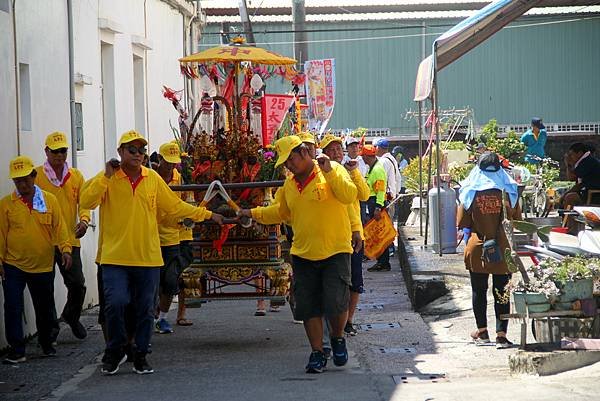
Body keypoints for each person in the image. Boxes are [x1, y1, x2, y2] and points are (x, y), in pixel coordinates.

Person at [80, 130, 224, 375]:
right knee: (115, 304)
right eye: (132, 150)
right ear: (120, 152)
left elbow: (175, 206)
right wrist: (105, 175)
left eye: (141, 150)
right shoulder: (109, 178)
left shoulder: (153, 179)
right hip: (114, 257)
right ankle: (115, 350)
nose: (138, 155)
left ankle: (141, 353)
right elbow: (86, 201)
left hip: (147, 257)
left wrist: (208, 215)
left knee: (146, 308)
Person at [238, 135, 357, 374]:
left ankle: (337, 337)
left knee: (336, 303)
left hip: (335, 250)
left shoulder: (331, 169)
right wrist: (251, 212)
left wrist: (331, 173)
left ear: (304, 153)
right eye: (285, 163)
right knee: (308, 306)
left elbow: (349, 196)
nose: (289, 166)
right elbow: (280, 212)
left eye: (290, 159)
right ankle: (317, 352)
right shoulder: (289, 186)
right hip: (303, 253)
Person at [0, 156, 73, 363]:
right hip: (13, 264)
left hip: (42, 264)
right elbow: (0, 234)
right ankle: (17, 349)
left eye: (25, 179)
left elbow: (60, 229)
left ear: (34, 176)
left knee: (44, 305)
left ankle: (47, 342)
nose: (22, 184)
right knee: (13, 306)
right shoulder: (6, 204)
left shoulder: (49, 200)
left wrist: (66, 250)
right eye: (17, 181)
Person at [457, 152, 521, 349]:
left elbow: (461, 222)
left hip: (477, 247)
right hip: (503, 248)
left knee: (479, 290)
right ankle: (501, 335)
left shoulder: (470, 191)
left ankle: (482, 332)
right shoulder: (509, 190)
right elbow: (517, 221)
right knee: (502, 291)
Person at [35, 131, 90, 340]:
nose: (60, 155)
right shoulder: (37, 176)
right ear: (46, 151)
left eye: (63, 150)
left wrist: (84, 221)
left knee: (77, 284)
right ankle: (50, 328)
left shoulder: (75, 176)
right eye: (55, 151)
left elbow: (84, 202)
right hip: (45, 241)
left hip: (70, 238)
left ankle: (71, 315)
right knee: (45, 287)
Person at [320, 134, 370, 337]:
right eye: (331, 150)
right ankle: (333, 322)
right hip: (332, 235)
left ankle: (348, 320)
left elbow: (364, 195)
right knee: (333, 281)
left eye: (338, 149)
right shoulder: (321, 174)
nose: (337, 153)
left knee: (355, 280)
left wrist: (354, 173)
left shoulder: (350, 172)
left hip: (354, 232)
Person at [154, 142, 188, 334]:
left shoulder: (181, 179)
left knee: (170, 281)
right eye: (167, 162)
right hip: (151, 237)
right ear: (159, 160)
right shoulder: (150, 178)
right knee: (152, 283)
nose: (171, 167)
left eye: (174, 163)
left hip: (174, 237)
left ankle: (163, 317)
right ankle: (151, 314)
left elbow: (185, 205)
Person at [361, 145, 390, 272]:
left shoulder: (377, 170)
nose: (362, 158)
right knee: (377, 234)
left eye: (363, 156)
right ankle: (381, 261)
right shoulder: (372, 169)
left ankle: (383, 262)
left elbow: (380, 190)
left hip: (376, 203)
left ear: (367, 156)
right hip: (372, 202)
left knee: (380, 234)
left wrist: (378, 207)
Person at [561, 142, 600, 232]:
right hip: (588, 191)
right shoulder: (585, 161)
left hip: (595, 195)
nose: (570, 157)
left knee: (569, 198)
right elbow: (579, 184)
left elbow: (571, 177)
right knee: (568, 196)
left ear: (579, 153)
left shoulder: (587, 162)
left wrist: (568, 164)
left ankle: (570, 227)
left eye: (571, 155)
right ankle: (573, 227)